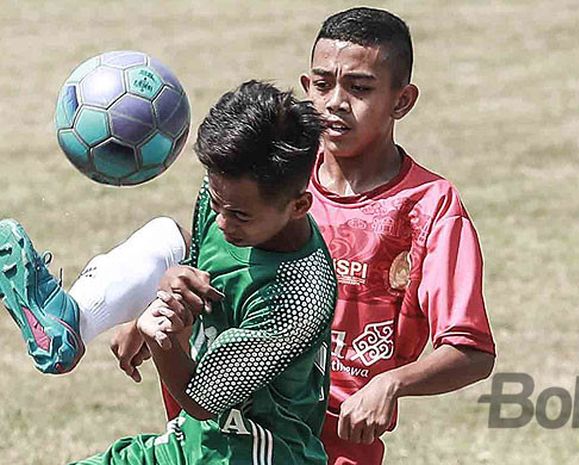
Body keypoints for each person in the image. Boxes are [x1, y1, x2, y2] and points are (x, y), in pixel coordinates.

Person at [0, 80, 337, 465]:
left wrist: (157, 330)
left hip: (257, 454)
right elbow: (208, 263)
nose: (223, 222)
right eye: (216, 202)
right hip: (191, 445)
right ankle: (77, 316)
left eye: (240, 215)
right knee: (168, 235)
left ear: (299, 205)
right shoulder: (230, 196)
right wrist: (162, 291)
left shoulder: (300, 297)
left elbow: (201, 400)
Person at [297, 7, 496, 464]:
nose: (336, 102)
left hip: (338, 449)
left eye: (360, 88)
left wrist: (391, 383)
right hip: (243, 428)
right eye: (323, 84)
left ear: (402, 101)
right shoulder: (280, 178)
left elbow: (470, 350)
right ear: (307, 87)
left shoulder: (430, 206)